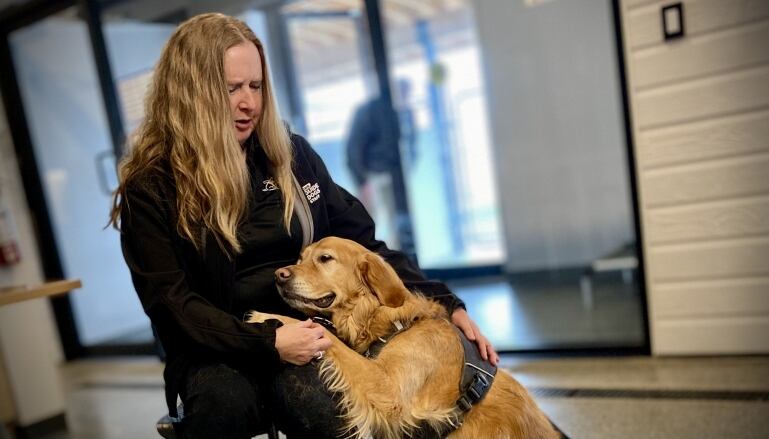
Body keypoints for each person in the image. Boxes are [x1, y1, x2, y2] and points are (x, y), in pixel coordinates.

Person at [109, 12, 498, 439]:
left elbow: (364, 245)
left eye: (255, 86)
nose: (249, 103)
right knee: (225, 408)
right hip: (215, 344)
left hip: (311, 331)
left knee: (324, 408)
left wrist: (448, 301)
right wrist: (268, 342)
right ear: (192, 93)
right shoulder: (151, 187)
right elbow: (171, 303)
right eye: (231, 88)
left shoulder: (291, 155)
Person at [345, 78, 416, 251]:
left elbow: (411, 142)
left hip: (395, 177)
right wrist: (362, 182)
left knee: (398, 223)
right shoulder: (369, 111)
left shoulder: (405, 112)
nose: (404, 97)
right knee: (366, 225)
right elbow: (354, 147)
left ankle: (397, 266)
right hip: (372, 176)